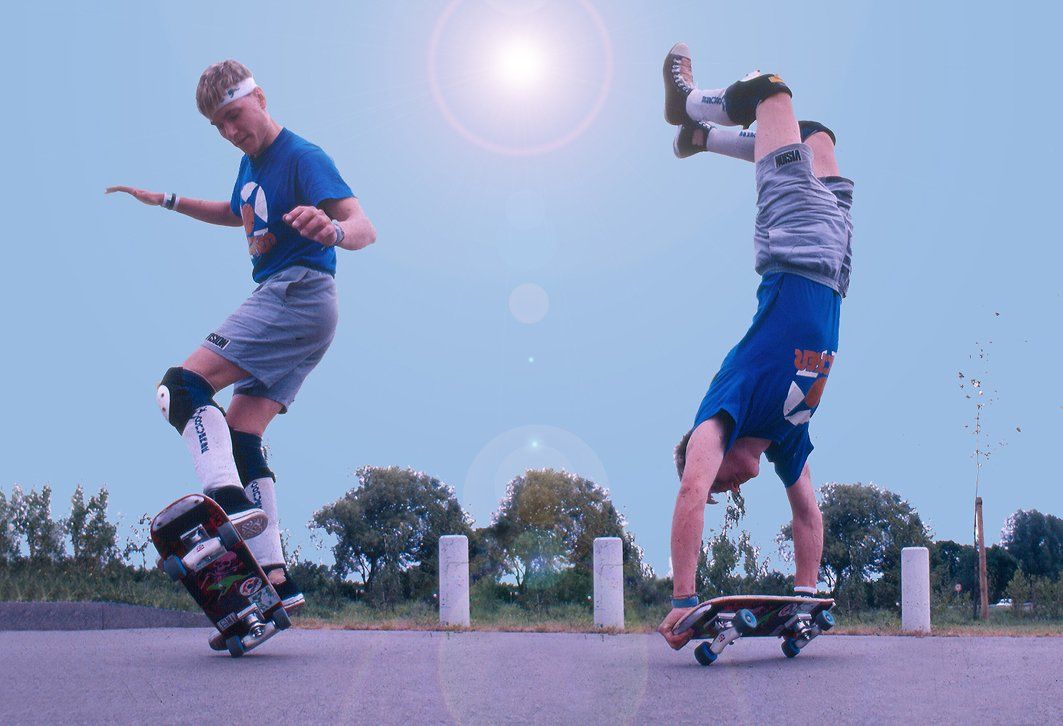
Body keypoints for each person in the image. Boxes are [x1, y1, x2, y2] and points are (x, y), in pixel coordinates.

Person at [107, 60, 376, 611]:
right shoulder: (250, 166)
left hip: (295, 293)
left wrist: (335, 229)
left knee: (180, 387)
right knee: (241, 432)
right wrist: (167, 200)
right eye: (217, 126)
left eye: (233, 117)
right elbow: (238, 212)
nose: (230, 132)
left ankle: (225, 502)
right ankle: (274, 577)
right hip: (304, 309)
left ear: (259, 98)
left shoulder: (302, 157)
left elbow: (364, 227)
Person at [656, 43, 854, 649]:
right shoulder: (785, 435)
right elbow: (807, 515)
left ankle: (684, 104)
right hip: (838, 261)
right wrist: (804, 591)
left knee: (772, 91)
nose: (733, 485)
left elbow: (693, 489)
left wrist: (683, 601)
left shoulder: (729, 401)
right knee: (816, 134)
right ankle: (697, 140)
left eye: (725, 481)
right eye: (731, 488)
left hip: (792, 243)